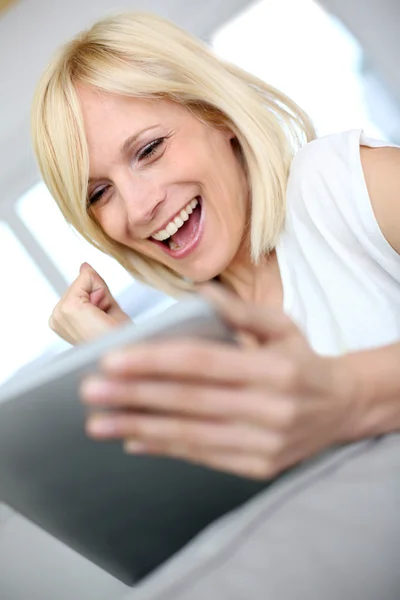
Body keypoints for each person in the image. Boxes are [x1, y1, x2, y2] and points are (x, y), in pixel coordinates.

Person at [31, 12, 400, 481]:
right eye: (99, 194)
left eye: (148, 150)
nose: (139, 207)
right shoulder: (198, 338)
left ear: (217, 114)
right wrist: (130, 358)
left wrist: (349, 394)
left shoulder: (341, 184)